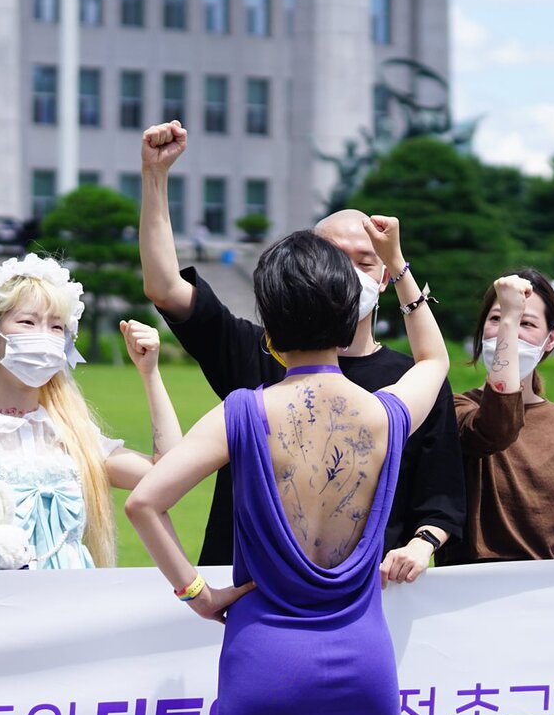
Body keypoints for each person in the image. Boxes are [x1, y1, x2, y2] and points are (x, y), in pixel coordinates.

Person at [126, 217, 449, 715]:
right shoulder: (385, 410)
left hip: (265, 659)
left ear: (270, 326)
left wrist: (198, 593)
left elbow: (144, 501)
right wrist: (399, 264)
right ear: (347, 311)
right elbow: (434, 358)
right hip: (364, 662)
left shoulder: (243, 410)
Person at [137, 120, 463, 582]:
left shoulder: (243, 412)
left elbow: (440, 498)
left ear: (384, 276)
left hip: (305, 601)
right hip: (343, 603)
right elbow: (166, 287)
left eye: (364, 261)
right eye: (332, 258)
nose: (345, 274)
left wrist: (420, 543)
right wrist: (155, 177)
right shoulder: (389, 404)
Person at [0, 256, 182, 571]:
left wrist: (150, 375)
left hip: (73, 610)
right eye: (27, 322)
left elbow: (171, 474)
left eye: (56, 326)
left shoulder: (74, 434)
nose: (44, 335)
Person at [443, 271, 554, 563]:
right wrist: (510, 318)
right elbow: (495, 428)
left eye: (525, 323)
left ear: (551, 338)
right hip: (474, 594)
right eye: (497, 319)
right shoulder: (455, 409)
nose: (511, 331)